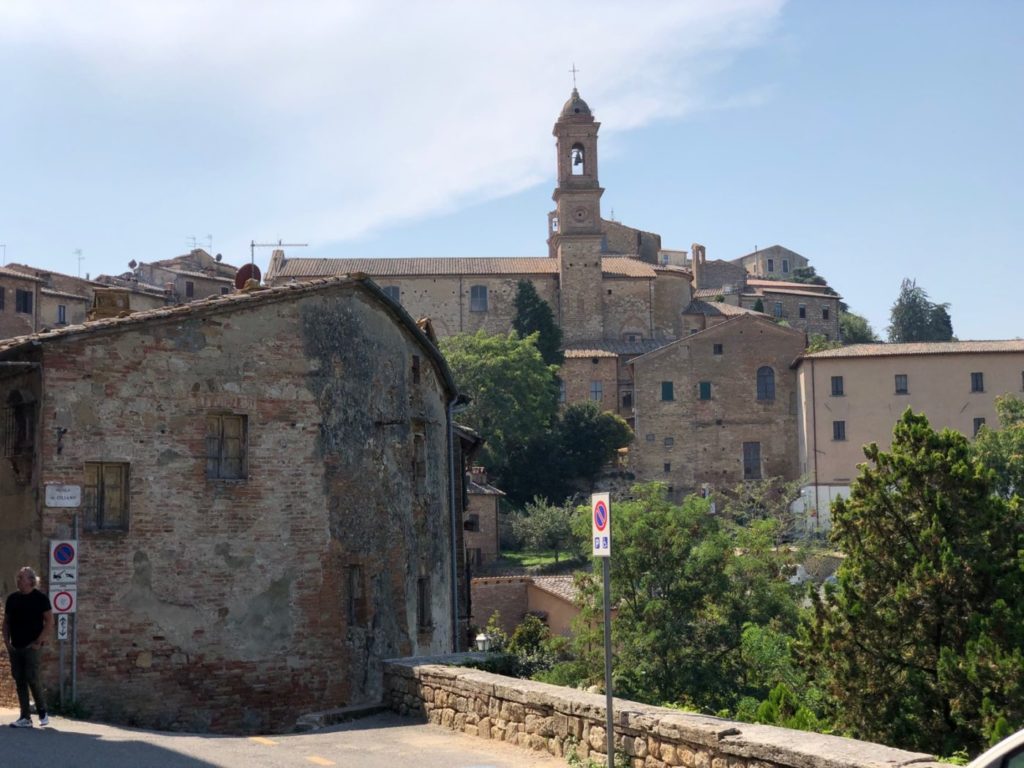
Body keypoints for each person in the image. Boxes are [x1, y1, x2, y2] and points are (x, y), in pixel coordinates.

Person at [3, 567, 53, 728]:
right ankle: (25, 717)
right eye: (18, 578)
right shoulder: (12, 599)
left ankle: (42, 711)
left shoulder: (40, 598)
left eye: (21, 578)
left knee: (32, 677)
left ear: (31, 581)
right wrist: (6, 642)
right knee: (19, 680)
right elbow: (6, 622)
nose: (18, 580)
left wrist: (39, 642)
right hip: (15, 646)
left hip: (33, 646)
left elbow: (49, 622)